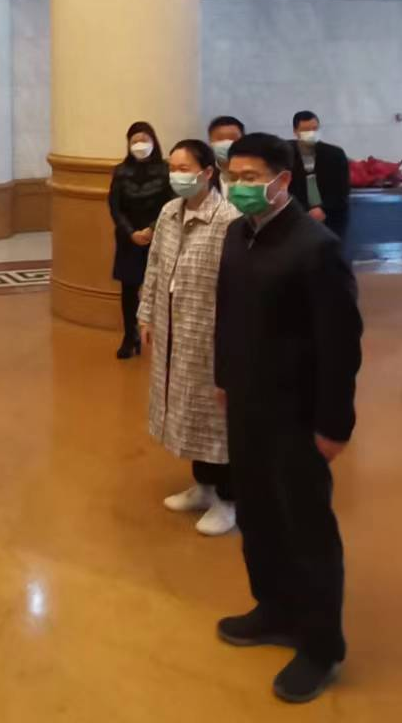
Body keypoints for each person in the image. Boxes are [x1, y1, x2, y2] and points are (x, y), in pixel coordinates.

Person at [214, 133, 362, 705]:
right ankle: (273, 609)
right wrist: (224, 377)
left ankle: (321, 645)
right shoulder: (238, 233)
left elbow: (341, 344)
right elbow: (228, 313)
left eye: (252, 177)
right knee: (257, 514)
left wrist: (334, 425)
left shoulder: (315, 247)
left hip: (297, 414)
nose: (240, 186)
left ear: (282, 180)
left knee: (306, 527)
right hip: (247, 403)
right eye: (234, 176)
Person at [138, 139, 242, 536]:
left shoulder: (228, 218)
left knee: (215, 417)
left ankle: (228, 500)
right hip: (172, 328)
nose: (177, 176)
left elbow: (236, 283)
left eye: (185, 168)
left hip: (209, 332)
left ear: (208, 172)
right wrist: (146, 314)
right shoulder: (169, 212)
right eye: (173, 168)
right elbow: (155, 265)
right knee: (186, 409)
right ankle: (203, 485)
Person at [108, 122, 172, 360]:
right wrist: (131, 232)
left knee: (163, 287)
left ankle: (165, 336)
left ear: (154, 141)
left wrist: (152, 229)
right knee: (129, 288)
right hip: (129, 237)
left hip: (160, 235)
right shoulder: (120, 171)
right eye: (134, 141)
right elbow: (115, 207)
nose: (139, 145)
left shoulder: (166, 170)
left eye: (144, 140)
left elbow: (171, 203)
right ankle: (130, 335)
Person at [288, 111, 351, 240]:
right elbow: (285, 188)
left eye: (314, 129)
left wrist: (322, 209)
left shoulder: (335, 154)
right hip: (297, 217)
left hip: (331, 216)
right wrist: (305, 211)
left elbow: (342, 189)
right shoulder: (287, 155)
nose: (311, 133)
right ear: (295, 131)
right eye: (305, 130)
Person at [208, 116, 245, 190]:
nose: (227, 143)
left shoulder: (254, 171)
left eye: (233, 138)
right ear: (210, 142)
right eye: (220, 139)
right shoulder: (205, 174)